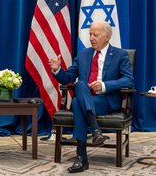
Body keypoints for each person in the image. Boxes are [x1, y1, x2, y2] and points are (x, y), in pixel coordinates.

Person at [48, 21, 134, 173]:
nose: (91, 38)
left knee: (77, 102)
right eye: (90, 34)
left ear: (107, 37)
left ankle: (82, 156)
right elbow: (67, 77)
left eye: (96, 34)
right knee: (81, 85)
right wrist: (57, 70)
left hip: (105, 100)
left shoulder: (120, 55)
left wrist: (104, 85)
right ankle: (95, 132)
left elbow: (128, 80)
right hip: (86, 97)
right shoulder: (84, 54)